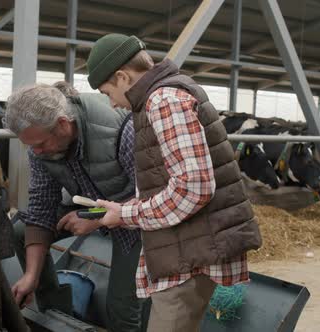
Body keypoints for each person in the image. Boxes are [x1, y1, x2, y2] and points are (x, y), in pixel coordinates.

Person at [85, 34, 262, 331]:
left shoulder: (164, 101)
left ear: (122, 76)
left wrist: (126, 214)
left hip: (190, 255)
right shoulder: (165, 95)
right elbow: (172, 181)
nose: (112, 104)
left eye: (107, 92)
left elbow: (193, 188)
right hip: (188, 247)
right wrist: (121, 210)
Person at [4, 83, 146, 331]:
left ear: (62, 124)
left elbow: (150, 197)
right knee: (20, 230)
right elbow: (41, 206)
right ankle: (57, 314)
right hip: (94, 203)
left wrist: (98, 219)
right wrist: (31, 276)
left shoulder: (123, 130)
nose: (35, 152)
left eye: (40, 143)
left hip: (135, 217)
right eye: (29, 146)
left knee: (121, 308)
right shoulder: (40, 150)